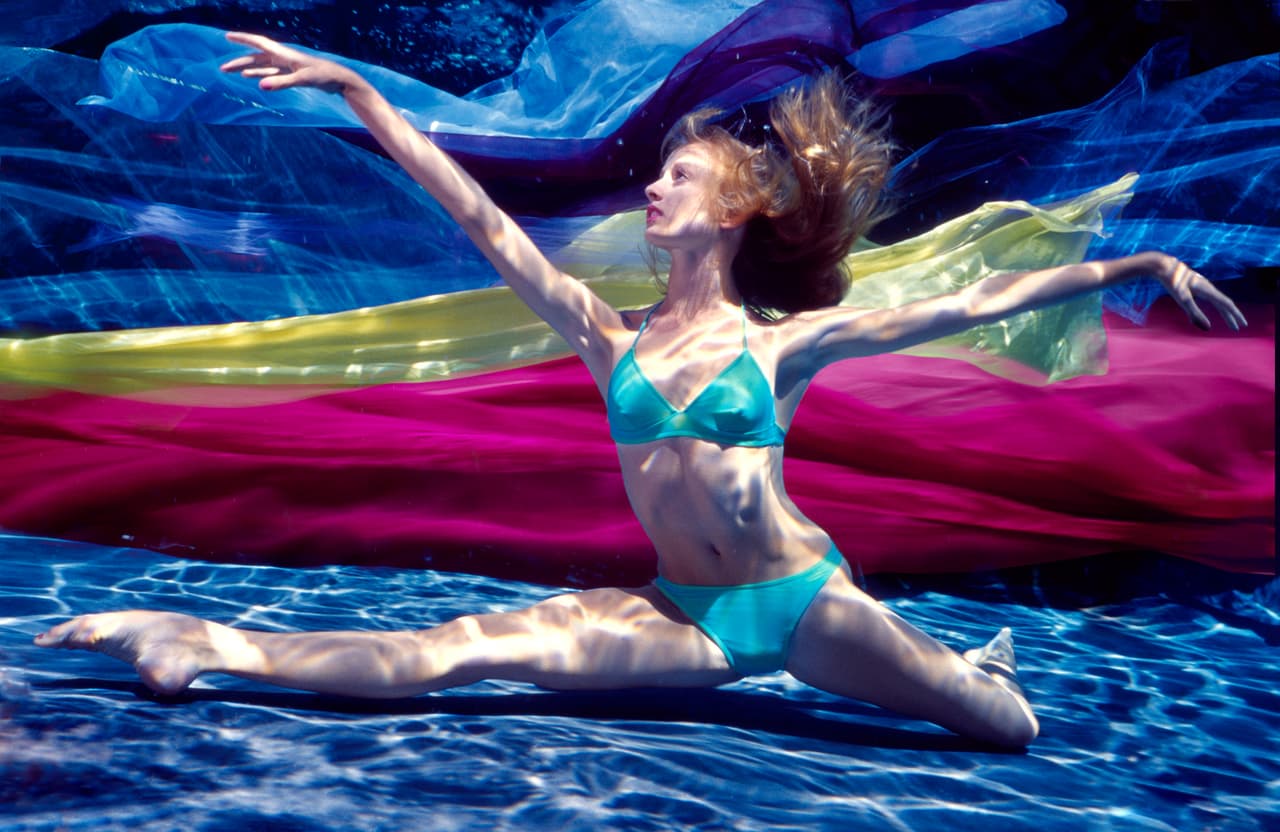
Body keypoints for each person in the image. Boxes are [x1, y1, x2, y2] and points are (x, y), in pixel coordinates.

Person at [34, 32, 1245, 748]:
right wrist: (360, 97)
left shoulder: (781, 347)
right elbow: (477, 216)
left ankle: (984, 669)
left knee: (1004, 731)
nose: (649, 190)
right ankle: (206, 639)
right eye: (655, 173)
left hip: (805, 604)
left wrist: (1138, 261)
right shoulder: (603, 338)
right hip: (678, 614)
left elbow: (969, 305)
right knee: (457, 649)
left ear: (733, 209)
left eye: (676, 174)